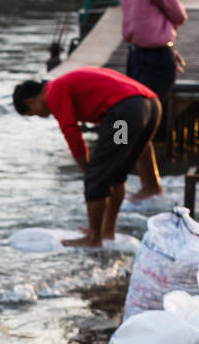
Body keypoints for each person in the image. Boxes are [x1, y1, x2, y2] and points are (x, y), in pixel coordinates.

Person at [12, 66, 160, 249]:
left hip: (125, 114)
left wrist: (86, 169)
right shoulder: (64, 83)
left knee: (97, 177)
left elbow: (71, 133)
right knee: (116, 172)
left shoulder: (54, 92)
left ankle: (94, 238)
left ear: (31, 100)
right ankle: (106, 232)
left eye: (33, 112)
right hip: (151, 107)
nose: (41, 116)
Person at [101, 0, 187, 203]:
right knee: (136, 123)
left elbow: (177, 15)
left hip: (157, 60)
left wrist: (165, 43)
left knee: (138, 124)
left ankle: (151, 185)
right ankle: (150, 184)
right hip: (136, 57)